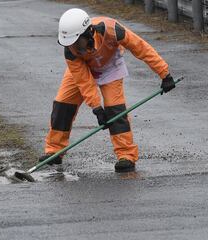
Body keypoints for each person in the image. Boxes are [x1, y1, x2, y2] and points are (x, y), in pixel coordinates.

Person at [39, 8, 176, 172]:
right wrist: (97, 108)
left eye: (77, 42)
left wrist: (164, 73)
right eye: (70, 43)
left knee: (115, 109)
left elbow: (141, 48)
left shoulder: (112, 30)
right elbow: (84, 81)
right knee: (63, 105)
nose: (74, 46)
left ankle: (126, 156)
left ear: (88, 32)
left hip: (109, 66)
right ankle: (54, 151)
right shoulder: (70, 50)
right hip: (84, 68)